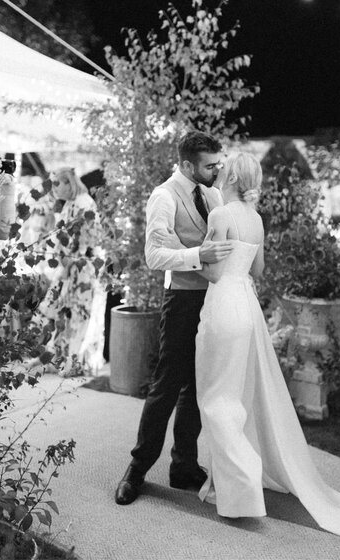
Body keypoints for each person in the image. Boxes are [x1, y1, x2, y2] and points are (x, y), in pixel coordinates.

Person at [193, 152, 340, 549]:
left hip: (222, 304)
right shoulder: (255, 220)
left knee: (216, 396)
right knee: (237, 392)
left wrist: (198, 257)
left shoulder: (220, 216)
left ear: (233, 177)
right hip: (248, 307)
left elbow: (213, 272)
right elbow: (257, 271)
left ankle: (241, 484)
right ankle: (231, 481)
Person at [115, 131, 234, 506]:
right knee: (166, 386)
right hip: (181, 301)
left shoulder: (214, 194)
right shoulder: (163, 196)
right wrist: (200, 254)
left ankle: (184, 465)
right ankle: (136, 470)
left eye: (219, 163)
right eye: (210, 165)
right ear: (186, 165)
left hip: (213, 300)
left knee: (198, 386)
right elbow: (154, 255)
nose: (218, 170)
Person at [31, 167, 109, 377]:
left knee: (78, 314)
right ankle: (55, 355)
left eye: (58, 183)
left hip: (81, 267)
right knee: (60, 311)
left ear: (70, 183)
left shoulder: (83, 203)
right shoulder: (69, 204)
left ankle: (74, 360)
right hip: (69, 266)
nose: (54, 188)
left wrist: (73, 257)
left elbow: (91, 238)